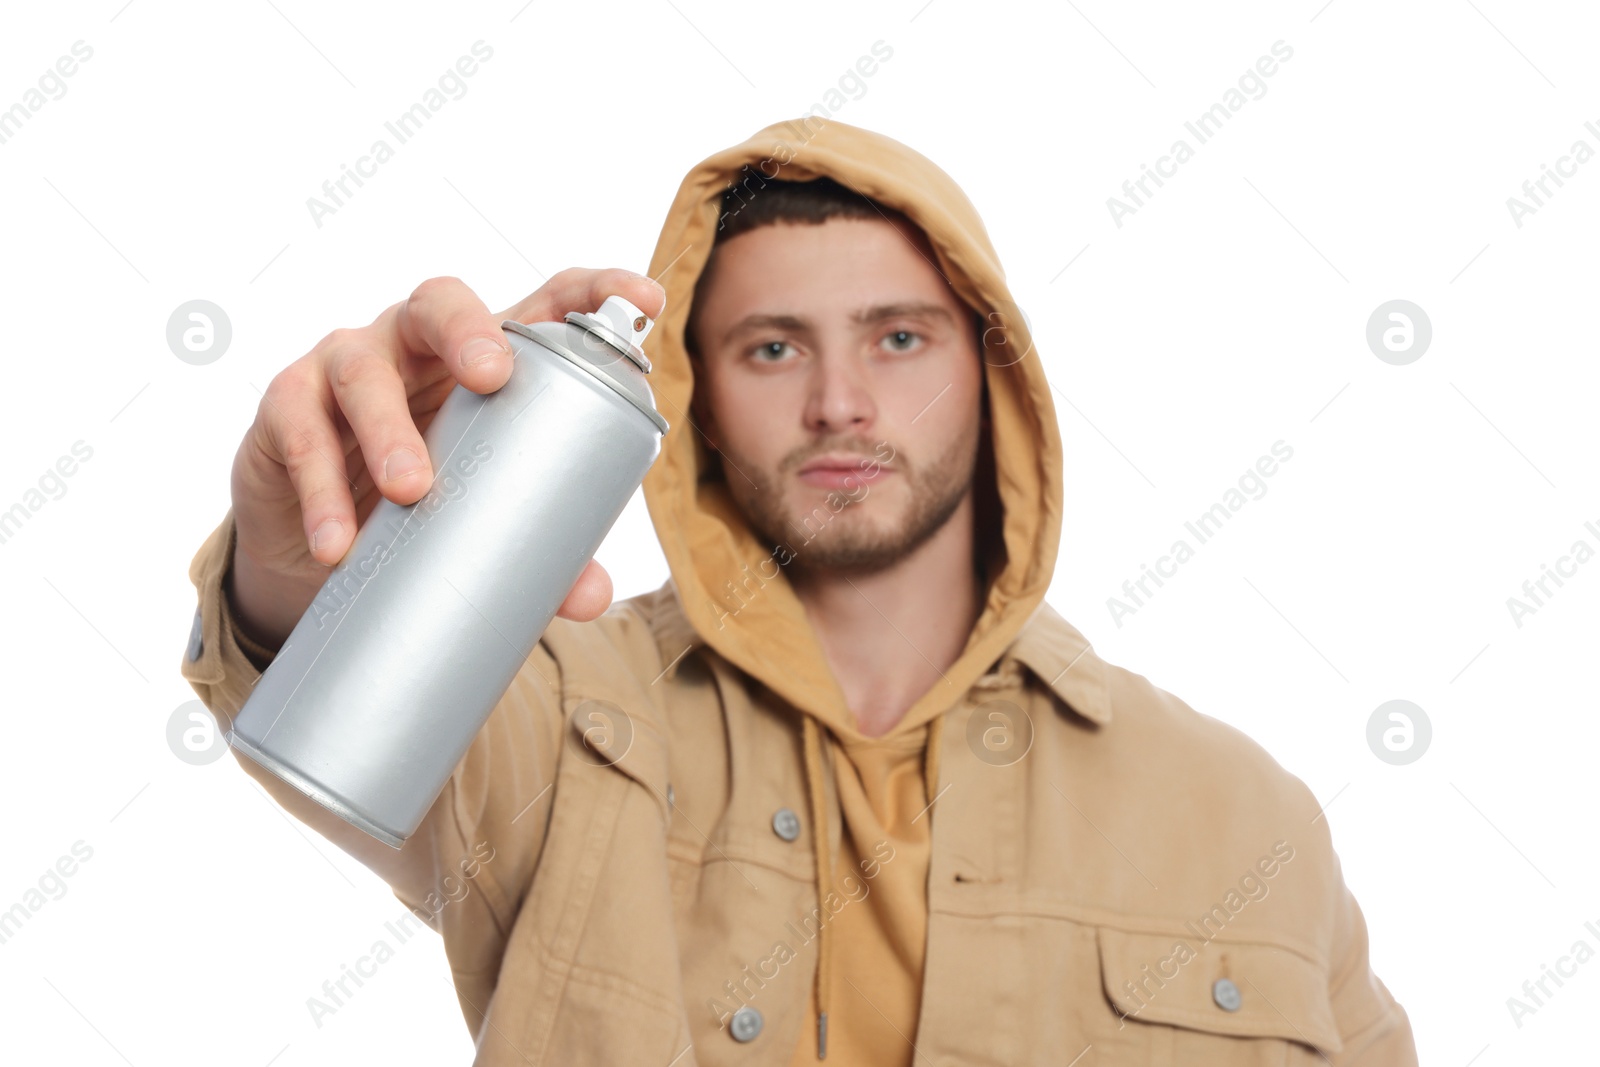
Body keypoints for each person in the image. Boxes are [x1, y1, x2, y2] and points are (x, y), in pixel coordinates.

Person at [180, 117, 1418, 1065]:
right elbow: (317, 700)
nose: (840, 403)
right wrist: (317, 553)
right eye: (772, 347)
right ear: (695, 398)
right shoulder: (546, 705)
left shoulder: (1242, 816)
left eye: (898, 337)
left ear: (995, 378)